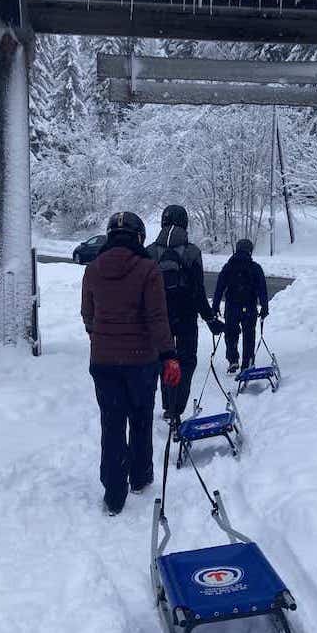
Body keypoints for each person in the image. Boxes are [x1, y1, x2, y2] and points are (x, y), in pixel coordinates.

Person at [81, 211, 181, 516]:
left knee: (111, 424)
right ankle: (139, 475)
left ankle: (114, 494)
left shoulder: (94, 269)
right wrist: (168, 354)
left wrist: (99, 338)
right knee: (140, 419)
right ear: (139, 237)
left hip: (104, 362)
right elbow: (156, 318)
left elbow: (88, 314)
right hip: (141, 362)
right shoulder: (147, 269)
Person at [146, 205, 223, 421]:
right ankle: (178, 406)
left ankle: (168, 405)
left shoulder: (150, 251)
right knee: (186, 361)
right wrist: (210, 319)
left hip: (160, 317)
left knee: (164, 359)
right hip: (187, 316)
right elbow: (198, 291)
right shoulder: (192, 252)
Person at [212, 239, 269, 374]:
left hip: (232, 307)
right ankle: (247, 363)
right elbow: (262, 289)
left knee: (231, 333)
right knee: (249, 335)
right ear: (250, 251)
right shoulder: (255, 268)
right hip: (249, 307)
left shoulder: (228, 266)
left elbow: (219, 288)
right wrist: (264, 307)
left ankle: (233, 360)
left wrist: (215, 306)